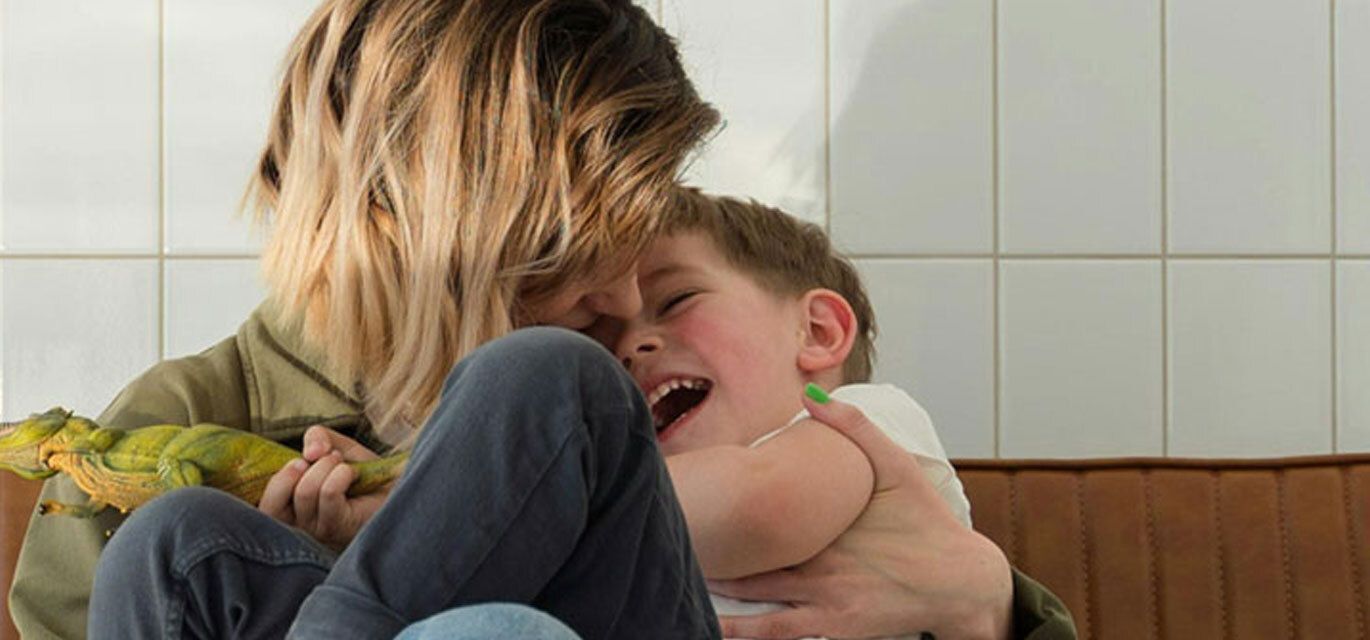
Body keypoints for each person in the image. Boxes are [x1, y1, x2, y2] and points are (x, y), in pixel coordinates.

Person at [9, 0, 1076, 638]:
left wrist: (991, 604)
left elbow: (760, 518)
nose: (621, 307)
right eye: (576, 253)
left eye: (649, 263)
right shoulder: (161, 441)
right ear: (439, 229)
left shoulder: (661, 396)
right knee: (177, 541)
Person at [614, 190, 1070, 639]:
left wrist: (582, 491)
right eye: (603, 342)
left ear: (817, 331)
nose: (626, 349)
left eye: (676, 300)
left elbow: (766, 507)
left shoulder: (863, 421)